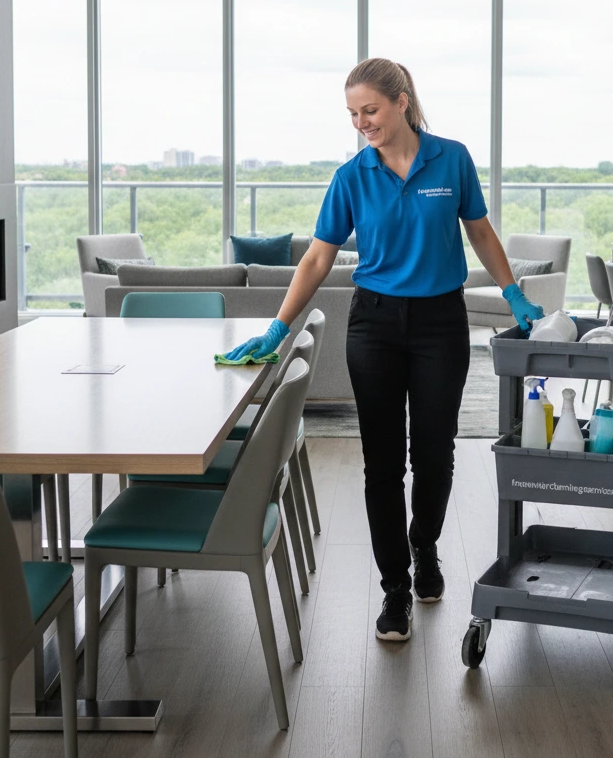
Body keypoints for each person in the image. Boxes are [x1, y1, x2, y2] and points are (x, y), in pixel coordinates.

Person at [221, 58, 543, 642]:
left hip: (441, 322)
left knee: (436, 455)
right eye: (352, 114)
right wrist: (278, 327)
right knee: (383, 464)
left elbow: (480, 231)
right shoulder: (352, 176)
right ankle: (394, 585)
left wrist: (512, 291)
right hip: (374, 324)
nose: (361, 123)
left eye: (369, 110)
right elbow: (319, 257)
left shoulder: (453, 158)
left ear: (401, 101)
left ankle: (425, 548)